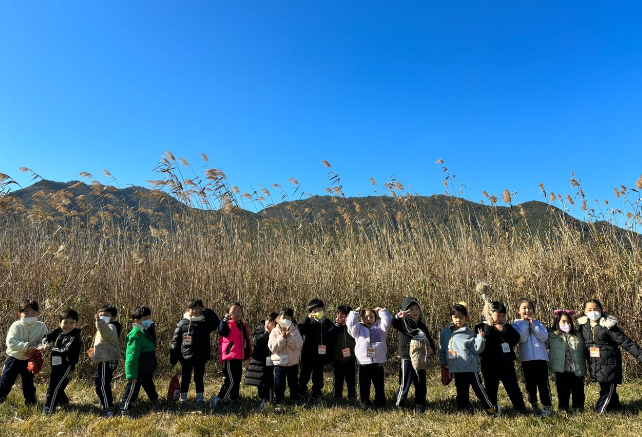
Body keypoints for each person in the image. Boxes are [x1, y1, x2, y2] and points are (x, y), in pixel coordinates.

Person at [577, 299, 642, 413]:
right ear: (584, 311)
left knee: (607, 390)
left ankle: (600, 411)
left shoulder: (608, 325)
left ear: (601, 310)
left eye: (596, 309)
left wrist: (640, 355)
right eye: (590, 310)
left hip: (610, 364)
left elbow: (626, 342)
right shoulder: (583, 327)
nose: (593, 312)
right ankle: (616, 407)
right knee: (606, 388)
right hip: (595, 365)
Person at [439, 302, 494, 414]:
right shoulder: (445, 333)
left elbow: (477, 349)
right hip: (456, 368)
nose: (458, 320)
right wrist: (443, 363)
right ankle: (462, 409)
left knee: (478, 388)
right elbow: (442, 349)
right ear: (451, 317)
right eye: (455, 317)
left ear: (466, 318)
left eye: (461, 317)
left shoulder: (470, 334)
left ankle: (490, 407)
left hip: (470, 368)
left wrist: (480, 338)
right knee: (461, 390)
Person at [475, 301, 526, 414]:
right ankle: (491, 409)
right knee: (491, 387)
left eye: (503, 316)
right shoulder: (481, 327)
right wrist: (490, 327)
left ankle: (520, 408)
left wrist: (503, 330)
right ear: (489, 315)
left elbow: (515, 339)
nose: (501, 319)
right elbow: (484, 340)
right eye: (498, 315)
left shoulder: (507, 327)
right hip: (489, 363)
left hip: (506, 362)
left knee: (512, 386)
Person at [170, 298, 220, 406]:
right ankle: (183, 398)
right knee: (186, 378)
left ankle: (200, 398)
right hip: (186, 357)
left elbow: (216, 322)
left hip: (201, 356)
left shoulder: (205, 323)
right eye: (192, 308)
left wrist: (207, 312)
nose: (195, 311)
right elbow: (176, 340)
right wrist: (174, 355)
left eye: (198, 308)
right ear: (188, 309)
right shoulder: (182, 323)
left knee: (199, 378)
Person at [391, 296, 435, 413]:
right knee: (405, 382)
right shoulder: (403, 323)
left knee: (420, 382)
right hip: (407, 357)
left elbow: (429, 339)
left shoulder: (422, 326)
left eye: (416, 309)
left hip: (420, 357)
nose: (415, 312)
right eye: (411, 309)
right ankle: (399, 404)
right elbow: (393, 323)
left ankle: (420, 404)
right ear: (405, 311)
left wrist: (431, 349)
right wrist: (398, 316)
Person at [0, 299, 48, 405]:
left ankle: (31, 403)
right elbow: (11, 342)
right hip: (14, 358)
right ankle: (1, 398)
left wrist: (43, 346)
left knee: (28, 383)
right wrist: (27, 347)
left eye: (33, 313)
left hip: (30, 360)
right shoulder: (16, 326)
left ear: (37, 313)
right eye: (26, 313)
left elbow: (45, 339)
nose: (30, 316)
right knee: (6, 381)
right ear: (19, 314)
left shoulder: (41, 326)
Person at [513, 298, 552, 416]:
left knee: (543, 383)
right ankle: (534, 404)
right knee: (530, 383)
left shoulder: (538, 323)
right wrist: (526, 324)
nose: (527, 310)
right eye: (524, 308)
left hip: (541, 358)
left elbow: (544, 337)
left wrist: (533, 325)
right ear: (518, 310)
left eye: (530, 308)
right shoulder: (516, 324)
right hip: (527, 359)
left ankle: (547, 406)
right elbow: (522, 338)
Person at [346, 306, 391, 409]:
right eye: (366, 317)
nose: (369, 319)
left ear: (376, 317)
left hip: (378, 363)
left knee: (379, 386)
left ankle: (380, 403)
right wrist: (355, 313)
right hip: (364, 363)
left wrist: (382, 311)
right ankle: (365, 404)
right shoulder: (358, 330)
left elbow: (388, 322)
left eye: (371, 316)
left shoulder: (380, 328)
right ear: (361, 319)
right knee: (364, 386)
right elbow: (350, 324)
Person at [120, 306, 159, 415]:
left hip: (146, 369)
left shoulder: (146, 331)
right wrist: (131, 375)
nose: (148, 320)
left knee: (149, 385)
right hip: (137, 371)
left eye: (149, 317)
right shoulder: (135, 335)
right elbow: (131, 357)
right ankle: (125, 409)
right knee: (131, 390)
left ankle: (155, 400)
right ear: (137, 321)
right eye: (145, 318)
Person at [42, 308, 82, 414]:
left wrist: (49, 348)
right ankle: (63, 402)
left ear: (76, 324)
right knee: (58, 385)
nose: (68, 325)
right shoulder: (58, 331)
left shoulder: (74, 336)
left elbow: (64, 350)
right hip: (56, 365)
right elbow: (46, 337)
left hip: (67, 366)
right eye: (65, 322)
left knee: (53, 387)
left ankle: (48, 409)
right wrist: (45, 342)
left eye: (72, 323)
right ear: (60, 323)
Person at [212, 301, 251, 407]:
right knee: (231, 380)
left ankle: (234, 399)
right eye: (233, 311)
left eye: (239, 311)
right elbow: (221, 331)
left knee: (237, 379)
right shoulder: (227, 324)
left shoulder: (242, 325)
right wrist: (224, 320)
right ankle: (219, 399)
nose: (237, 313)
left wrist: (247, 352)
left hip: (238, 357)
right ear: (228, 313)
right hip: (229, 357)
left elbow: (245, 340)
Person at [548, 309, 586, 413]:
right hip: (561, 369)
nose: (566, 324)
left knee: (578, 390)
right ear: (557, 322)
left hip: (576, 368)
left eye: (568, 322)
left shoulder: (578, 335)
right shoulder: (552, 335)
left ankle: (578, 409)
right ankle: (563, 409)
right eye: (563, 321)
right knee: (562, 391)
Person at [298, 298, 333, 399]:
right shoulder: (308, 322)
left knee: (318, 375)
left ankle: (317, 392)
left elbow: (333, 334)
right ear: (311, 312)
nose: (318, 312)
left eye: (320, 309)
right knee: (305, 373)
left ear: (323, 309)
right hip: (308, 354)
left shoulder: (326, 322)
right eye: (315, 310)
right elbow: (299, 330)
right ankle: (301, 391)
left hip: (320, 355)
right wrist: (307, 319)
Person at [91, 305, 122, 417]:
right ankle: (106, 402)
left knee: (103, 384)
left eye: (106, 315)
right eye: (101, 314)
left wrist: (99, 322)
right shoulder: (103, 327)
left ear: (113, 317)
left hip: (108, 359)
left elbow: (107, 333)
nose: (103, 316)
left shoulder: (112, 326)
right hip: (104, 359)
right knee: (99, 381)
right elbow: (100, 341)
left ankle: (108, 408)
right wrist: (94, 352)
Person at [268, 308, 303, 406]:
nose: (286, 320)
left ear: (292, 319)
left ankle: (295, 398)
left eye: (289, 318)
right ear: (278, 318)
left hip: (292, 363)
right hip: (279, 364)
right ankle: (279, 400)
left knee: (294, 383)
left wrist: (290, 337)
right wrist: (282, 338)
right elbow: (272, 347)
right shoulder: (275, 331)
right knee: (279, 383)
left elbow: (299, 345)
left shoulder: (295, 330)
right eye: (284, 317)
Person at [244, 312, 278, 410]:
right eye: (268, 322)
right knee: (260, 382)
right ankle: (263, 399)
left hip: (271, 360)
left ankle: (270, 400)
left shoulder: (277, 331)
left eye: (273, 323)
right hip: (259, 361)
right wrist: (266, 333)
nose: (269, 325)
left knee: (270, 381)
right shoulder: (260, 329)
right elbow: (256, 341)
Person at [328, 305, 357, 400]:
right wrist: (337, 324)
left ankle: (352, 396)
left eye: (346, 316)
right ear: (337, 315)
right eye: (341, 315)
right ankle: (337, 397)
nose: (344, 318)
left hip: (351, 358)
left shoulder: (353, 327)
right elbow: (330, 336)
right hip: (337, 358)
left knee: (351, 379)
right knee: (338, 380)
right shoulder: (333, 326)